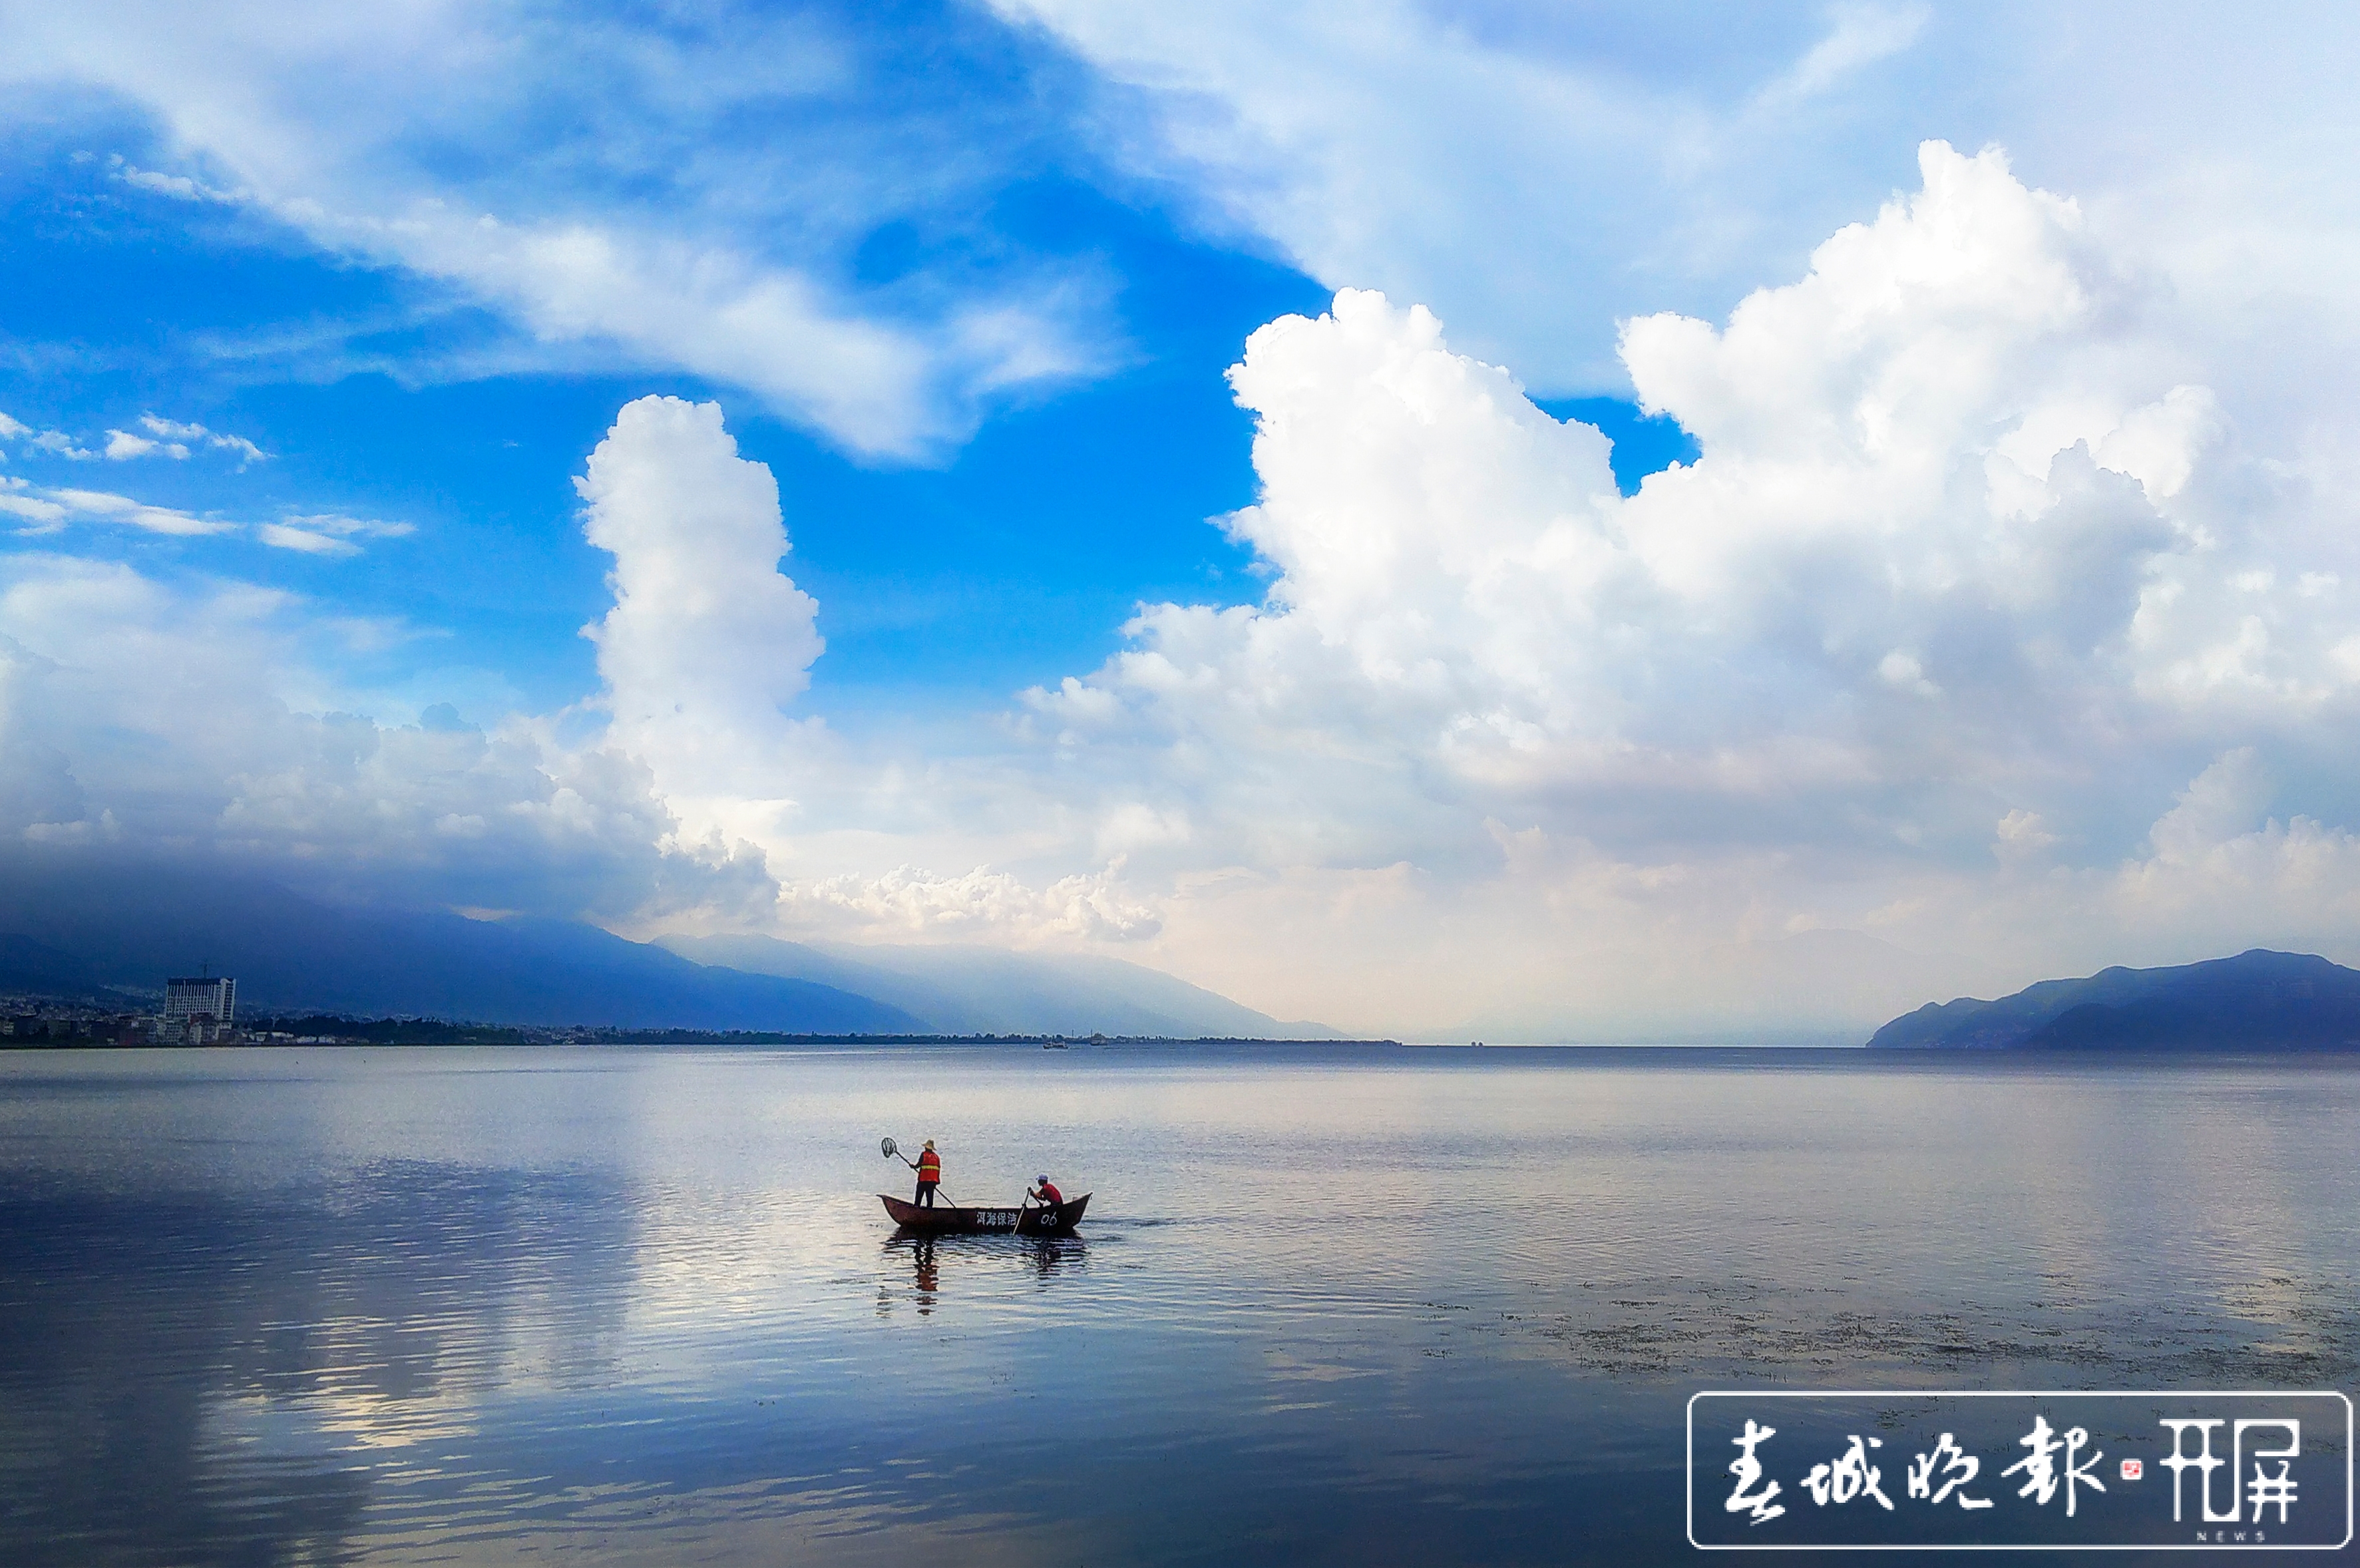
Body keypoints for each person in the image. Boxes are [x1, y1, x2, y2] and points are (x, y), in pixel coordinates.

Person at [905, 1139, 942, 1207]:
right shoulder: (937, 1157)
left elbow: (918, 1165)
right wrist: (935, 1183)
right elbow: (937, 1171)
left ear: (926, 1147)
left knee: (918, 1199)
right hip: (932, 1182)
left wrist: (912, 1166)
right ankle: (930, 1212)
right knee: (930, 1201)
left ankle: (916, 1209)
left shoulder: (924, 1155)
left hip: (923, 1181)